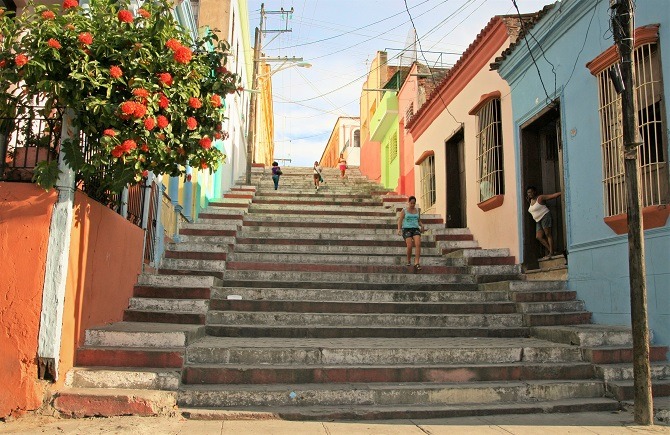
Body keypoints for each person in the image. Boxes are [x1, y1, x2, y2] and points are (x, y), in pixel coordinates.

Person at [526, 186, 562, 260]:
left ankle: (551, 253)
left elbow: (552, 196)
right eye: (528, 193)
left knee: (548, 234)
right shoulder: (530, 201)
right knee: (538, 237)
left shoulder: (540, 198)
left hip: (545, 216)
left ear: (534, 192)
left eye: (530, 192)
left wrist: (563, 192)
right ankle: (552, 251)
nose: (529, 194)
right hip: (538, 220)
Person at [397, 196, 425, 271]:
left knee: (418, 244)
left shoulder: (417, 210)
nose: (412, 205)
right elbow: (400, 220)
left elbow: (418, 220)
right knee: (409, 245)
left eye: (414, 203)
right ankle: (408, 260)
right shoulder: (404, 210)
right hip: (406, 229)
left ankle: (417, 263)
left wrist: (422, 225)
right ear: (408, 202)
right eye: (411, 203)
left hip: (415, 228)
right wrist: (399, 229)